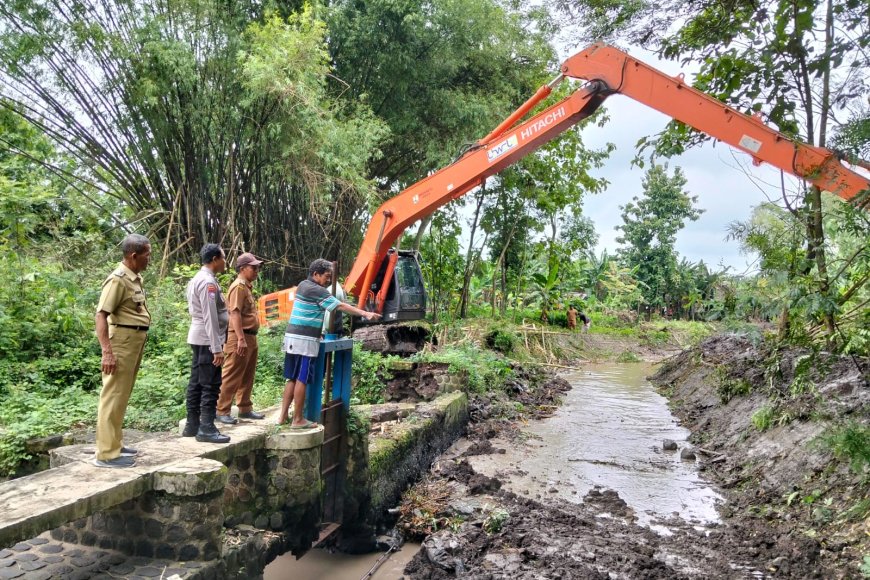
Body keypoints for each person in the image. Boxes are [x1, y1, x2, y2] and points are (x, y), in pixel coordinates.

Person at [278, 259, 381, 428]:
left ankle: (282, 418)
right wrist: (365, 313)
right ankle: (297, 420)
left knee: (292, 377)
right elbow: (339, 306)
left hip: (292, 337)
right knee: (302, 379)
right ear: (315, 274)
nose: (328, 280)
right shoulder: (317, 290)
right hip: (305, 340)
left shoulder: (303, 285)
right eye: (326, 276)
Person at [93, 234, 152, 468]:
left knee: (122, 394)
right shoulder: (117, 280)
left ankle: (115, 443)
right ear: (134, 255)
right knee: (113, 394)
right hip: (121, 341)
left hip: (134, 340)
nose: (150, 259)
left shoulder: (135, 278)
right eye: (147, 254)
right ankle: (107, 453)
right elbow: (101, 315)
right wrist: (107, 351)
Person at [184, 243, 230, 443]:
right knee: (210, 384)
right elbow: (210, 316)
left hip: (200, 337)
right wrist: (217, 348)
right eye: (223, 257)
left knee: (196, 382)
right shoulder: (207, 282)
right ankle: (206, 428)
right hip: (206, 339)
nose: (225, 261)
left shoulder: (198, 279)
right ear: (214, 259)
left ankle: (192, 425)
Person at [216, 252, 266, 424]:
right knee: (232, 374)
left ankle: (245, 408)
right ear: (243, 268)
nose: (257, 271)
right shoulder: (238, 287)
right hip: (240, 336)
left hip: (250, 336)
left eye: (257, 267)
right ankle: (222, 410)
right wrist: (240, 339)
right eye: (253, 267)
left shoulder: (246, 287)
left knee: (247, 375)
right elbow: (234, 313)